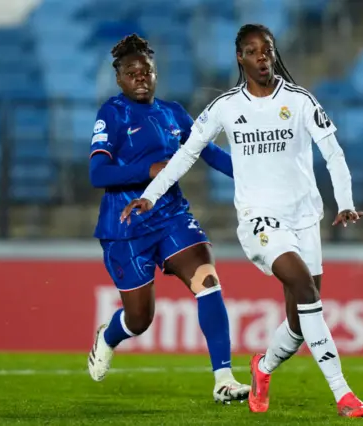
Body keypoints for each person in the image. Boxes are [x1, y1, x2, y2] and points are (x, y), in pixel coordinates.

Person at [120, 24, 363, 418]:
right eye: (253, 51)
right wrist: (150, 196)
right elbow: (187, 154)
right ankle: (343, 393)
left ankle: (263, 367)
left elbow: (334, 154)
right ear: (240, 57)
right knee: (306, 291)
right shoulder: (225, 106)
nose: (262, 58)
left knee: (298, 323)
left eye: (267, 50)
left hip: (305, 218)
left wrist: (345, 201)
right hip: (260, 220)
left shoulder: (301, 101)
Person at [87, 34, 250, 404]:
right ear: (119, 79)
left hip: (172, 216)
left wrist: (251, 173)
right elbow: (98, 174)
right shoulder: (112, 114)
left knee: (207, 280)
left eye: (146, 71)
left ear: (155, 74)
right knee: (140, 320)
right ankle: (110, 336)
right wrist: (151, 169)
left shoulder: (173, 112)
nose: (140, 78)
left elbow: (208, 152)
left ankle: (223, 379)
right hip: (126, 227)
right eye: (132, 73)